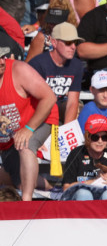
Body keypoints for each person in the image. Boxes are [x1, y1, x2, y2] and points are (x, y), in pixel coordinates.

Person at [0, 54, 57, 201]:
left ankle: (27, 202)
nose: (1, 62)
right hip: (10, 131)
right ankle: (52, 189)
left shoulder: (19, 70)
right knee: (19, 182)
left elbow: (50, 97)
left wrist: (29, 129)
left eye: (2, 57)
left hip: (41, 118)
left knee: (26, 145)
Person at [28, 22, 83, 124]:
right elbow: (30, 101)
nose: (73, 47)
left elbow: (72, 102)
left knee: (79, 108)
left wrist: (67, 132)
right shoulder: (37, 64)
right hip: (37, 108)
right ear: (54, 42)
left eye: (75, 42)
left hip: (59, 105)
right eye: (68, 42)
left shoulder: (77, 65)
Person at [61, 114, 107, 201]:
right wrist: (92, 182)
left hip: (105, 196)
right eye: (95, 137)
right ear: (87, 137)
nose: (100, 141)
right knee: (84, 193)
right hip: (80, 198)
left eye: (104, 137)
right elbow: (66, 188)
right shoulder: (76, 154)